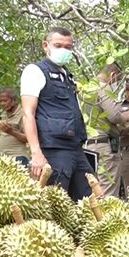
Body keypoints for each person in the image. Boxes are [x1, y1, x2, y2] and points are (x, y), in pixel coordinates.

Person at [21, 26, 93, 201]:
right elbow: (28, 113)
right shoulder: (35, 71)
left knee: (92, 199)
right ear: (46, 45)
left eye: (68, 47)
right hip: (52, 149)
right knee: (55, 204)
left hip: (75, 148)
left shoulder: (67, 76)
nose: (64, 50)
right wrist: (36, 152)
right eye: (58, 45)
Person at [84, 63, 124, 196]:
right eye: (117, 82)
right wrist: (125, 116)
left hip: (88, 146)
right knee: (108, 190)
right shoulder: (103, 88)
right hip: (104, 146)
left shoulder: (86, 89)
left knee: (94, 189)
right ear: (113, 76)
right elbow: (114, 116)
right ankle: (107, 216)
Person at [0, 87, 30, 166]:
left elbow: (28, 138)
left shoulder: (23, 114)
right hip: (3, 158)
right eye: (0, 101)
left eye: (5, 101)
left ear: (14, 101)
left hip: (18, 157)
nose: (2, 103)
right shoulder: (3, 115)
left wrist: (11, 132)